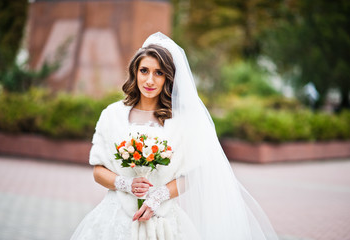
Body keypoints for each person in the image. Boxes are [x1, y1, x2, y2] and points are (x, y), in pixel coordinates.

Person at [71, 32, 278, 240]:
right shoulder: (112, 115)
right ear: (135, 72)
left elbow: (189, 176)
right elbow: (98, 171)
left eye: (159, 73)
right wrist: (126, 184)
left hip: (163, 223)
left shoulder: (180, 121)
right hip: (115, 221)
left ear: (168, 77)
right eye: (144, 71)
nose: (150, 80)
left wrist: (157, 198)